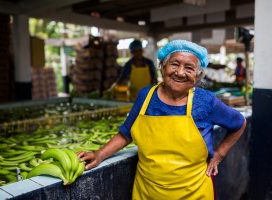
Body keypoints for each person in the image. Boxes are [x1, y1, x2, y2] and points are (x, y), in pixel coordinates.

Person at [78, 40, 247, 199]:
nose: (180, 72)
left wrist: (219, 154)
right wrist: (99, 155)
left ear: (198, 74)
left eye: (189, 68)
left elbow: (239, 123)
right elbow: (125, 134)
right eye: (174, 64)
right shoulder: (146, 96)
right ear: (162, 66)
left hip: (193, 192)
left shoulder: (206, 101)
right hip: (148, 191)